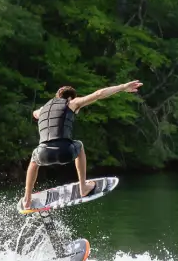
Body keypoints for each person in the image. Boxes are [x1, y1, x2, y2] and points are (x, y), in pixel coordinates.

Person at [22, 81, 143, 210]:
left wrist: (41, 110)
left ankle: (27, 198)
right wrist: (123, 87)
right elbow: (99, 93)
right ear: (70, 98)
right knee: (79, 145)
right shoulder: (72, 103)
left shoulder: (43, 109)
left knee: (34, 160)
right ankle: (83, 187)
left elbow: (35, 113)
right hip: (65, 152)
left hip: (43, 154)